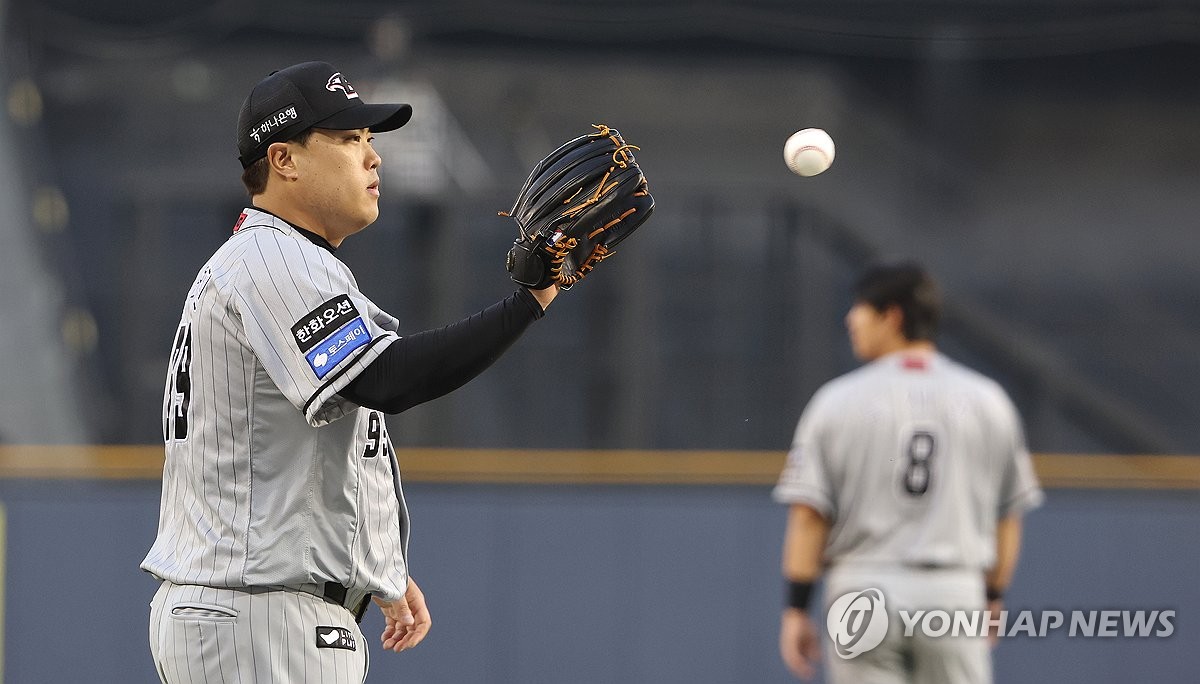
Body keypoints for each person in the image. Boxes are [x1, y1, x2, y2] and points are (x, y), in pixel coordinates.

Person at [141, 61, 559, 683]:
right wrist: (531, 302)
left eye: (369, 140)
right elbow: (387, 380)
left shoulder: (289, 263)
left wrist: (371, 567)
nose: (372, 158)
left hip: (263, 610)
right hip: (256, 614)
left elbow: (317, 445)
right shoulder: (270, 257)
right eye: (346, 140)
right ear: (283, 159)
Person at [773, 260, 1043, 684]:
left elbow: (809, 517)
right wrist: (991, 595)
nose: (850, 320)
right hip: (952, 591)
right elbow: (1007, 516)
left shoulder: (836, 401)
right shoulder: (988, 401)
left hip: (861, 587)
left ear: (892, 316)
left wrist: (795, 609)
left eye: (860, 308)